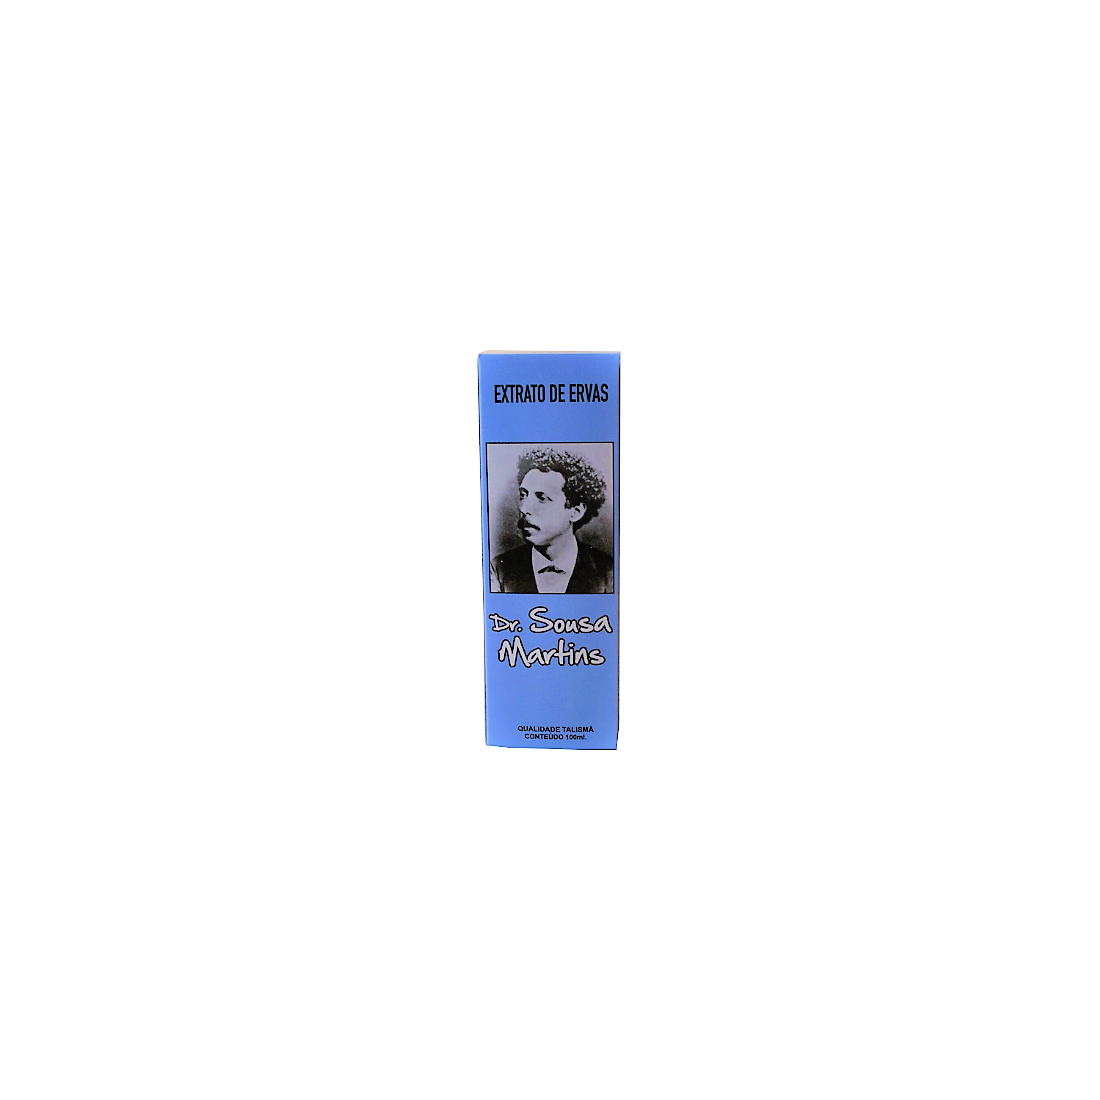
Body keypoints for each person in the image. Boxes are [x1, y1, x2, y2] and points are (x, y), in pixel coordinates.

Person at [490, 447, 614, 594]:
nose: (524, 508)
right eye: (523, 495)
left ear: (576, 511)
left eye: (541, 498)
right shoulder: (498, 570)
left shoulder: (609, 572)